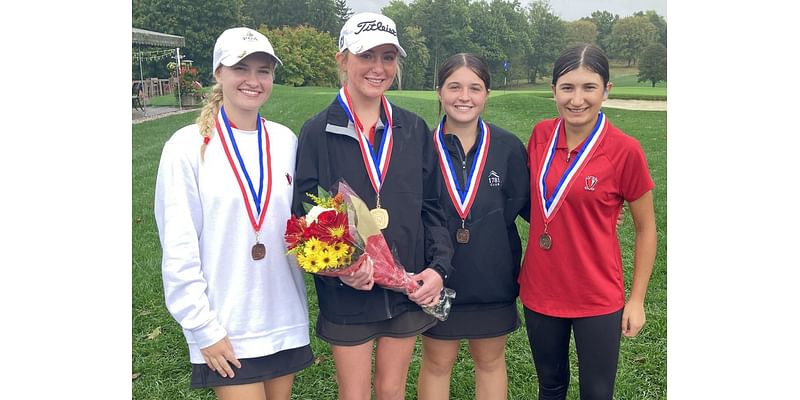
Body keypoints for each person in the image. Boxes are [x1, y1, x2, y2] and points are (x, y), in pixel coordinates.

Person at [292, 12, 454, 400]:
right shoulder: (317, 131)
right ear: (343, 59)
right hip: (349, 293)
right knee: (355, 394)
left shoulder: (413, 129)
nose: (378, 68)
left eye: (387, 57)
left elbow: (433, 208)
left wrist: (438, 268)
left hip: (407, 286)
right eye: (366, 56)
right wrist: (342, 268)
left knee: (392, 389)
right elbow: (305, 216)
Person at [154, 27, 313, 400]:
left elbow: (296, 224)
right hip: (226, 325)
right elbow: (178, 250)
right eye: (241, 68)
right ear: (218, 74)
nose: (253, 80)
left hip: (282, 318)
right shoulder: (186, 147)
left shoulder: (285, 140)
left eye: (264, 70)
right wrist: (203, 328)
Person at [518, 43, 657, 400]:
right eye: (567, 88)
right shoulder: (540, 136)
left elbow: (646, 229)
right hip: (541, 289)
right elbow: (535, 201)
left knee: (596, 393)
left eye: (588, 87)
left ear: (606, 91)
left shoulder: (625, 150)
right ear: (553, 92)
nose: (577, 99)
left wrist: (637, 299)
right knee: (550, 387)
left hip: (596, 295)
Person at [416, 53, 530, 400]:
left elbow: (533, 206)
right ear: (439, 91)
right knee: (437, 362)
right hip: (438, 275)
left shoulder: (508, 147)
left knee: (491, 360)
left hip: (492, 274)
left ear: (487, 95)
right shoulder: (420, 147)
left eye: (474, 88)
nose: (464, 96)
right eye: (454, 86)